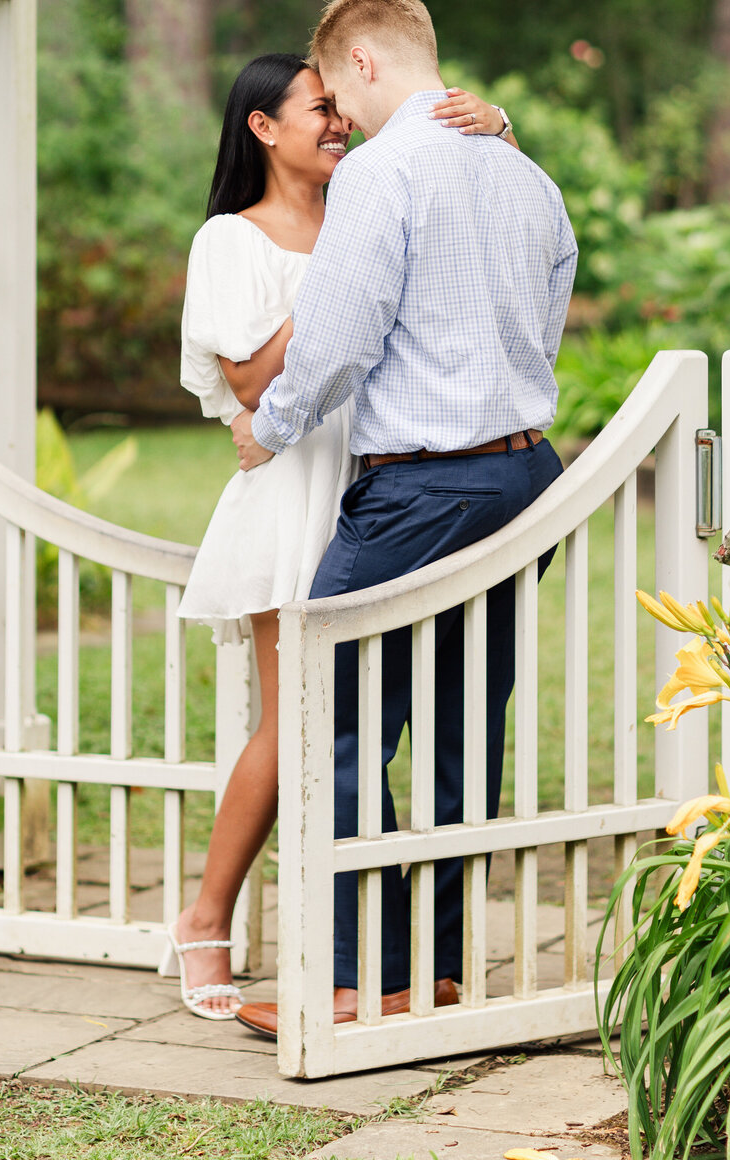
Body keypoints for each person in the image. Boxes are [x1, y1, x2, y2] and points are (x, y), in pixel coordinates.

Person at [229, 0, 577, 1038]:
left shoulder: (383, 175)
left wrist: (272, 425)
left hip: (423, 485)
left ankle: (349, 982)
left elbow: (337, 335)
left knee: (327, 716)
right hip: (524, 476)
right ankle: (432, 976)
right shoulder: (526, 176)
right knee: (465, 731)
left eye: (335, 90)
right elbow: (549, 304)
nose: (338, 115)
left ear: (365, 64)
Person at [160, 51, 513, 1019]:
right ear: (264, 129)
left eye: (340, 108)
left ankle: (384, 958)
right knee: (299, 726)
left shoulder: (368, 204)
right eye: (318, 110)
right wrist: (337, 289)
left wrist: (500, 124)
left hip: (381, 488)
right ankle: (206, 917)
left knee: (370, 728)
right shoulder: (230, 241)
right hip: (292, 492)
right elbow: (248, 383)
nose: (340, 123)